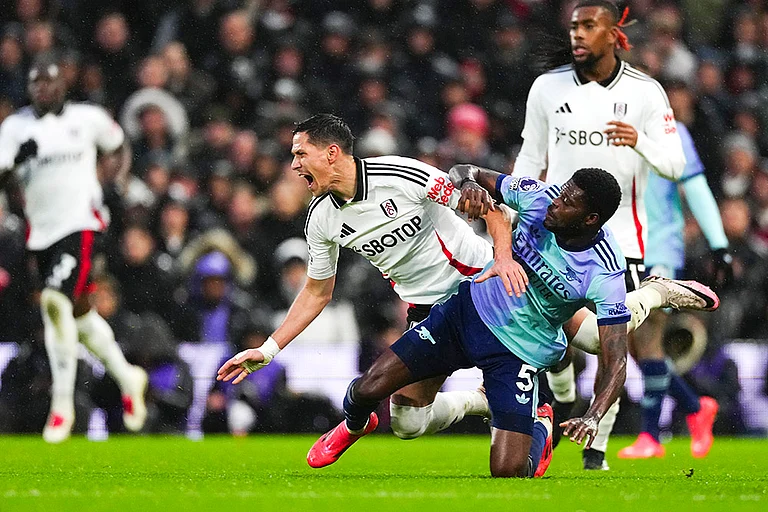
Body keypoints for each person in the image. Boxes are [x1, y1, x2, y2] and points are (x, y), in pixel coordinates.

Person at [215, 114, 716, 469]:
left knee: (599, 338)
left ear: (332, 152)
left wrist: (501, 258)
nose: (293, 165)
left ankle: (651, 294)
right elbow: (316, 292)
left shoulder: (401, 175)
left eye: (299, 154)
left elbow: (488, 207)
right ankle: (485, 402)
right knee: (409, 425)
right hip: (431, 306)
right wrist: (268, 348)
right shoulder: (321, 219)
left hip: (489, 280)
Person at [234, 167, 637, 477]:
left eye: (568, 202)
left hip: (518, 348)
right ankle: (356, 425)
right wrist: (471, 185)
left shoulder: (603, 271)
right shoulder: (538, 197)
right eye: (561, 191)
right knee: (369, 391)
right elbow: (465, 171)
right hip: (462, 314)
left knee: (508, 472)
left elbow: (616, 359)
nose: (555, 202)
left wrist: (594, 415)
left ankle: (540, 425)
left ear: (590, 219)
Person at [511, 0, 687, 470]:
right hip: (551, 239)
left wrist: (639, 140)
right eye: (574, 26)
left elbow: (675, 165)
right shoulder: (547, 88)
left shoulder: (645, 92)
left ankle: (596, 451)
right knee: (557, 346)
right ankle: (563, 391)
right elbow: (530, 161)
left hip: (622, 241)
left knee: (613, 344)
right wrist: (515, 215)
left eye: (589, 26)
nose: (578, 34)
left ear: (614, 33)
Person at [0, 52, 148, 443]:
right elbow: (0, 172)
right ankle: (128, 377)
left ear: (63, 83)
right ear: (29, 87)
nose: (43, 88)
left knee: (53, 301)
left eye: (50, 80)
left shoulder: (87, 119)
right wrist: (16, 163)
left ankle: (61, 407)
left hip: (81, 224)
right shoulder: (15, 127)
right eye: (36, 82)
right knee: (79, 316)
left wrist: (108, 183)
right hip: (41, 233)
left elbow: (117, 145)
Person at [617, 121, 729, 459]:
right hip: (622, 248)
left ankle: (651, 436)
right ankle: (695, 407)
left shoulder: (671, 130)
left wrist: (719, 243)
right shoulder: (608, 124)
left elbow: (695, 186)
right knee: (631, 344)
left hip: (659, 250)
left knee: (648, 335)